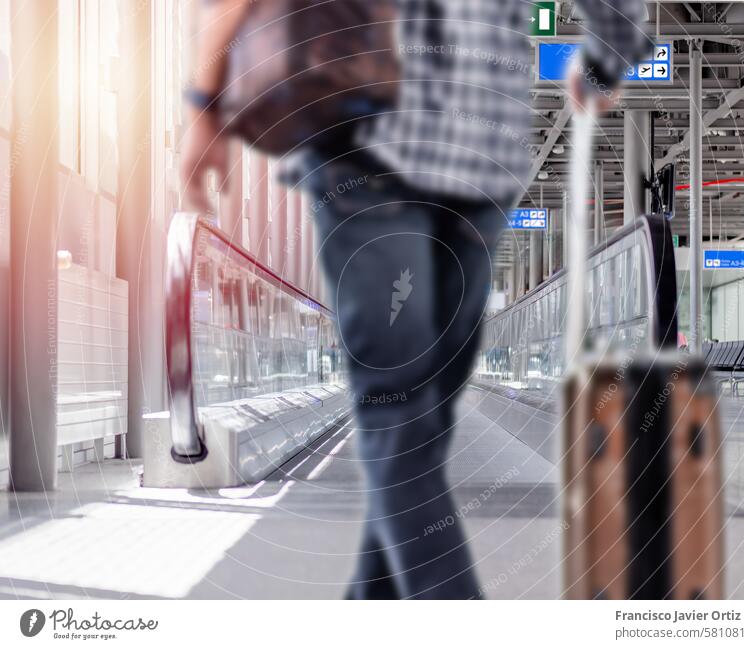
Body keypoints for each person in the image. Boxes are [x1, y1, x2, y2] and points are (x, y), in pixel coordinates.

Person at [181, 0, 649, 599]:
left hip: (456, 167)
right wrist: (607, 58)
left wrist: (204, 104)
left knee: (415, 426)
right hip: (395, 152)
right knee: (403, 417)